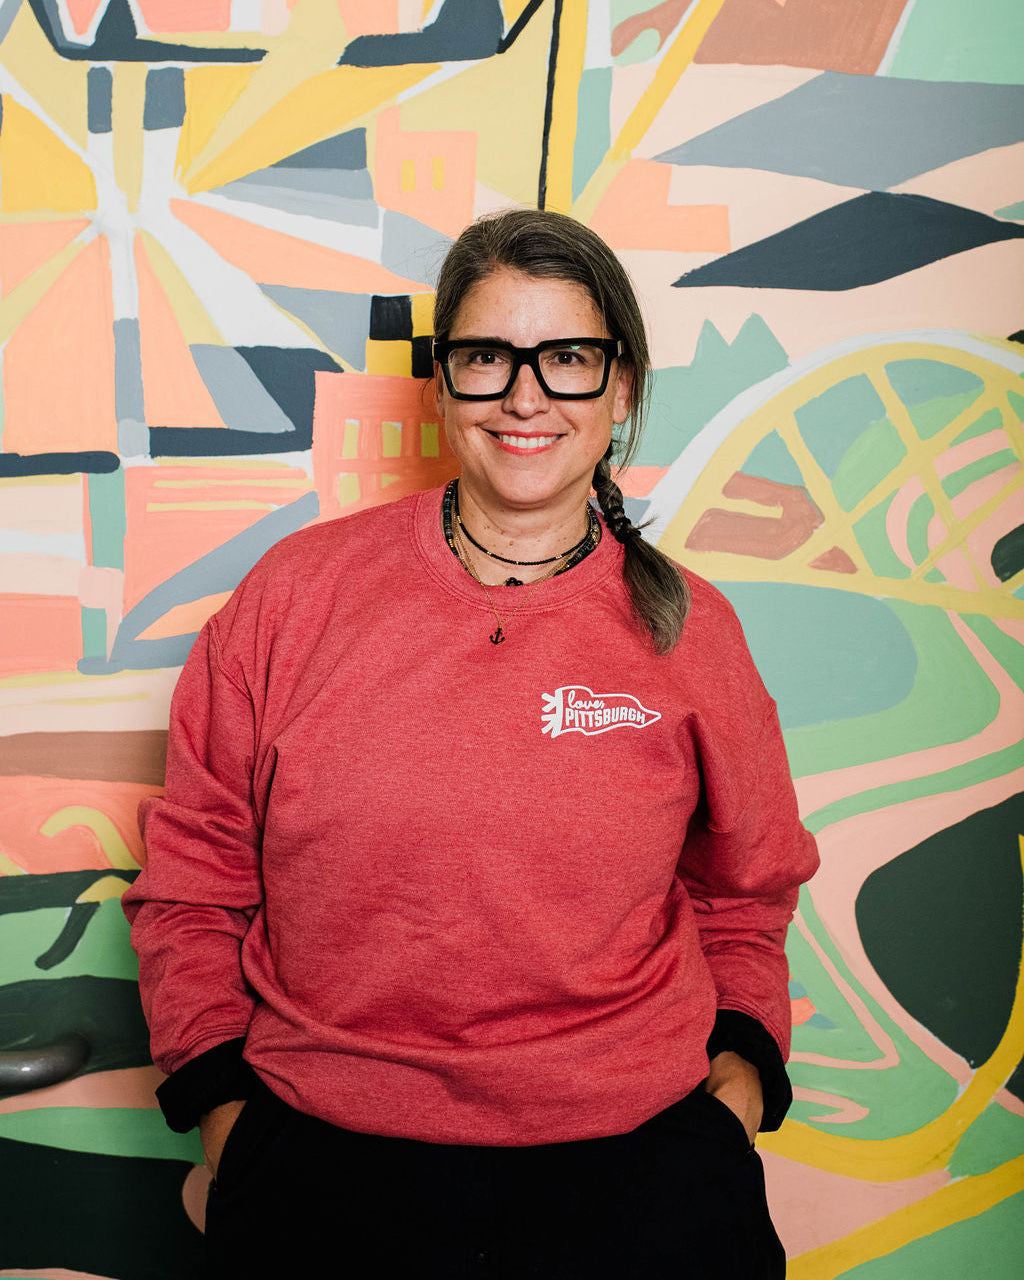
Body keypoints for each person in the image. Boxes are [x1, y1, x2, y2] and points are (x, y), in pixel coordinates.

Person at [123, 208, 818, 1278]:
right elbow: (192, 880)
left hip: (641, 1170)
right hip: (327, 1161)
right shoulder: (290, 599)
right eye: (488, 355)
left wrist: (733, 1095)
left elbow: (748, 888)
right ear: (441, 381)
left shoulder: (693, 629)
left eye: (568, 358)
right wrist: (229, 1119)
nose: (525, 394)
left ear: (621, 387)